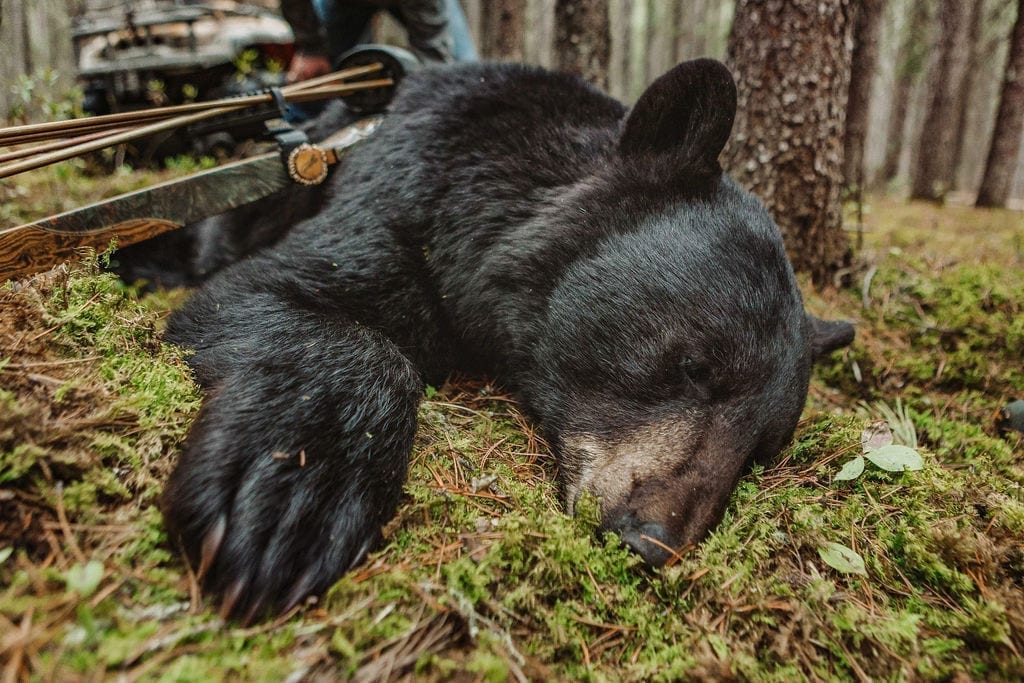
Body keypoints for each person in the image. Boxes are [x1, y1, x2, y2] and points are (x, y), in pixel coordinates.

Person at [280, 0, 478, 84]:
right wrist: (312, 48)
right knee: (313, 76)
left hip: (423, 6)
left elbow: (434, 56)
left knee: (461, 73)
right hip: (345, 4)